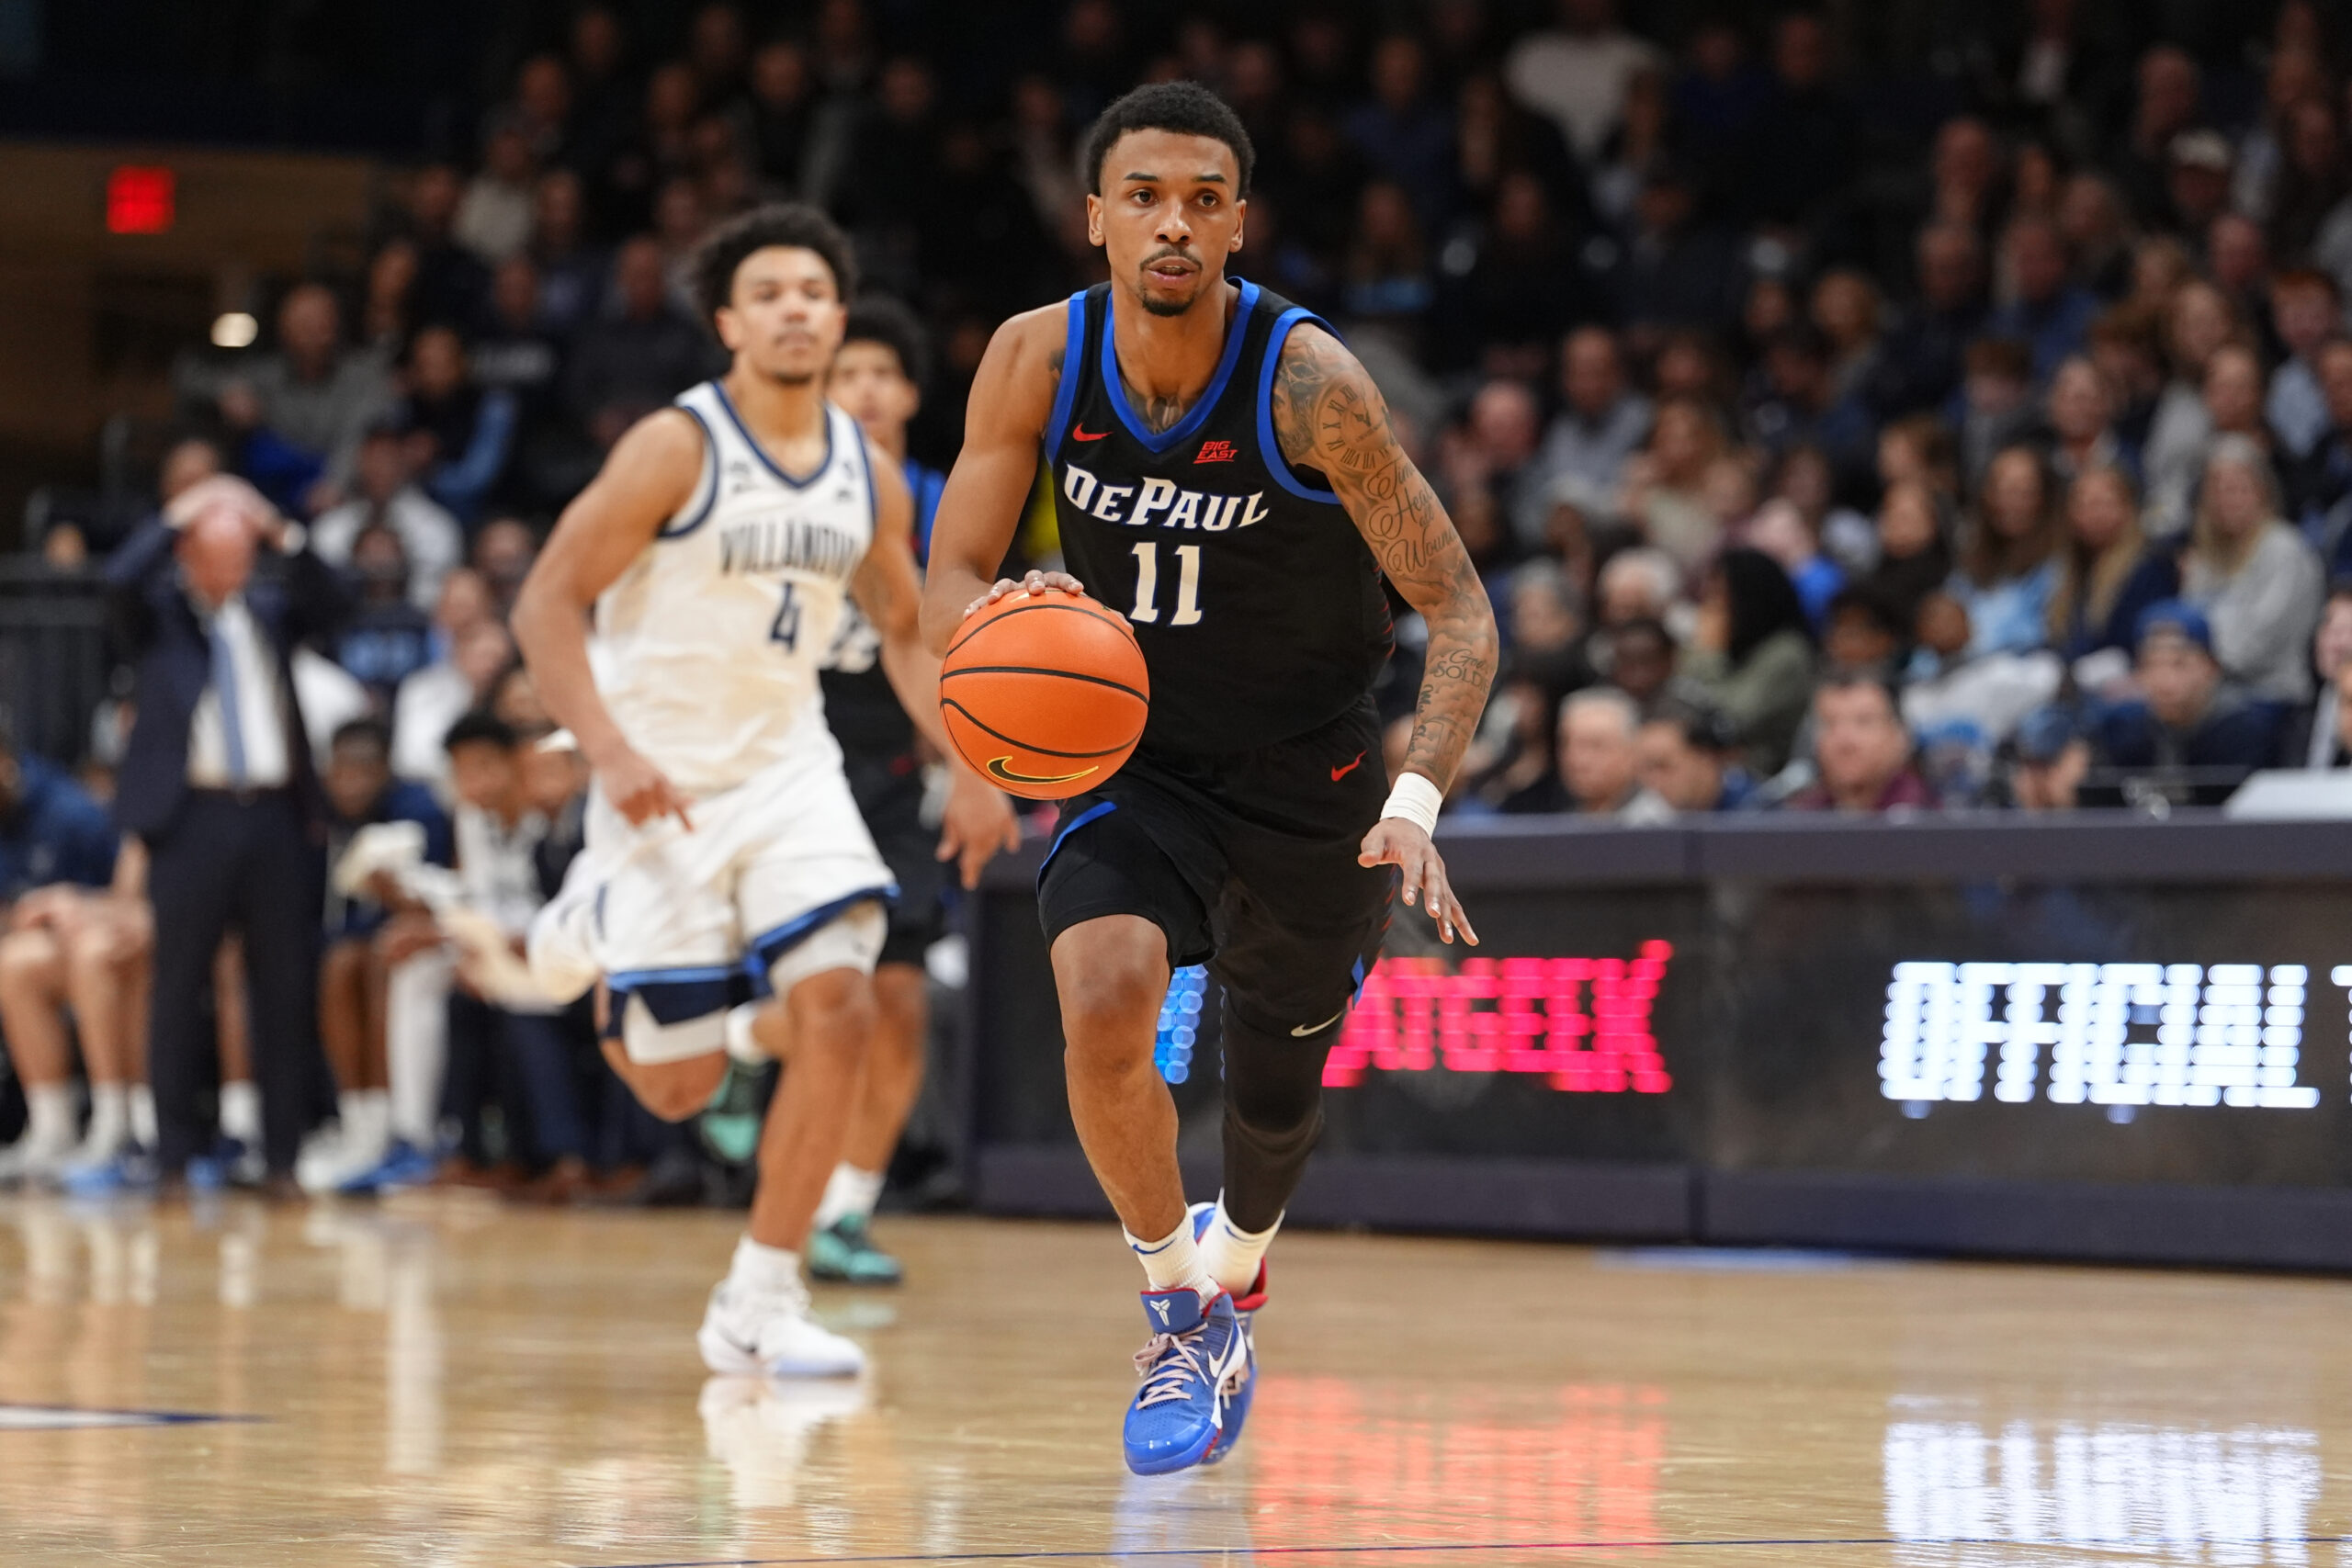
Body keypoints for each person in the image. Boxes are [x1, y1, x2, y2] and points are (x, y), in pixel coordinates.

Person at [918, 84, 1497, 1476]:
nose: (1171, 222)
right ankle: (1177, 1305)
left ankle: (1235, 1273)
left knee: (1272, 1105)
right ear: (1097, 215)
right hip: (1138, 756)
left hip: (1317, 772)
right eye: (1143, 196)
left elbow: (1463, 610)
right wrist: (1000, 624)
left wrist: (1412, 805)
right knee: (1106, 986)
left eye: (1200, 198)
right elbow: (947, 569)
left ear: (1239, 221)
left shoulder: (1312, 385)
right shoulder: (1034, 357)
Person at [511, 205, 1016, 1379]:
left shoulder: (870, 476)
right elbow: (545, 599)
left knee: (842, 1006)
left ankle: (761, 1296)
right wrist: (608, 748)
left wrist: (974, 769)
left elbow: (902, 633)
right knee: (682, 1089)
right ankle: (596, 922)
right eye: (771, 293)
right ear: (730, 322)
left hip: (793, 771)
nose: (796, 308)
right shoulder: (674, 449)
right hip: (663, 783)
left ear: (837, 318)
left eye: (814, 292)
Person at [105, 475, 352, 1193]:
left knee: (282, 985)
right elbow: (117, 578)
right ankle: (173, 1154)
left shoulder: (272, 611)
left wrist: (282, 530)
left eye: (245, 554)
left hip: (276, 816)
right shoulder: (158, 618)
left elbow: (336, 601)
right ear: (188, 556)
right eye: (221, 554)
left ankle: (281, 1158)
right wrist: (181, 509)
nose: (236, 568)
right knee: (177, 986)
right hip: (191, 818)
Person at [800, 296, 952, 1285]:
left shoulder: (943, 497)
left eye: (878, 374)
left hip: (898, 765)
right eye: (843, 373)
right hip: (794, 756)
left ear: (906, 391)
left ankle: (844, 1212)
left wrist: (966, 757)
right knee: (818, 991)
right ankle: (733, 1061)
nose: (862, 388)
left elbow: (947, 632)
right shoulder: (786, 492)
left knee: (897, 1002)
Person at [0, 734, 131, 1183]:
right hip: (46, 943)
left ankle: (116, 1124)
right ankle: (51, 1127)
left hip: (110, 937)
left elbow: (131, 898)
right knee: (14, 963)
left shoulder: (73, 812)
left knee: (89, 954)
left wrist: (74, 903)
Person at [2179, 435, 2325, 704]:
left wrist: (2199, 661)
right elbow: (2186, 625)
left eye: (2239, 488)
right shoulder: (2205, 556)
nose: (2228, 499)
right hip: (2210, 688)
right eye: (2219, 490)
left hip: (2272, 693)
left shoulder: (2285, 550)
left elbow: (2258, 645)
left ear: (2263, 490)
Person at [2094, 602, 2284, 802]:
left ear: (2211, 667)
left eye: (2179, 664)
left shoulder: (2244, 733)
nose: (2164, 681)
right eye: (2151, 664)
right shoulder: (2126, 732)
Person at [1679, 547, 1816, 775]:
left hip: (1767, 778)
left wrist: (1706, 654)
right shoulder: (1733, 648)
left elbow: (1729, 721)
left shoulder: (1787, 652)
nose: (1712, 608)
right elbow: (1679, 706)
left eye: (1719, 596)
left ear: (1748, 597)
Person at [1782, 672, 1938, 813]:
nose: (1845, 741)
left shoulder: (1932, 819)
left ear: (1900, 736)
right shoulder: (1796, 818)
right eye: (1830, 724)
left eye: (1864, 722)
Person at [1547, 688, 1672, 820]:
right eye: (1566, 743)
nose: (1577, 760)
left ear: (1632, 752)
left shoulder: (1653, 826)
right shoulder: (1565, 820)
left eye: (1595, 745)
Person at [1636, 697, 1752, 813]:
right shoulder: (1645, 818)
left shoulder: (1758, 813)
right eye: (1644, 770)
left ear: (1705, 758)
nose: (1650, 782)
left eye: (1662, 766)